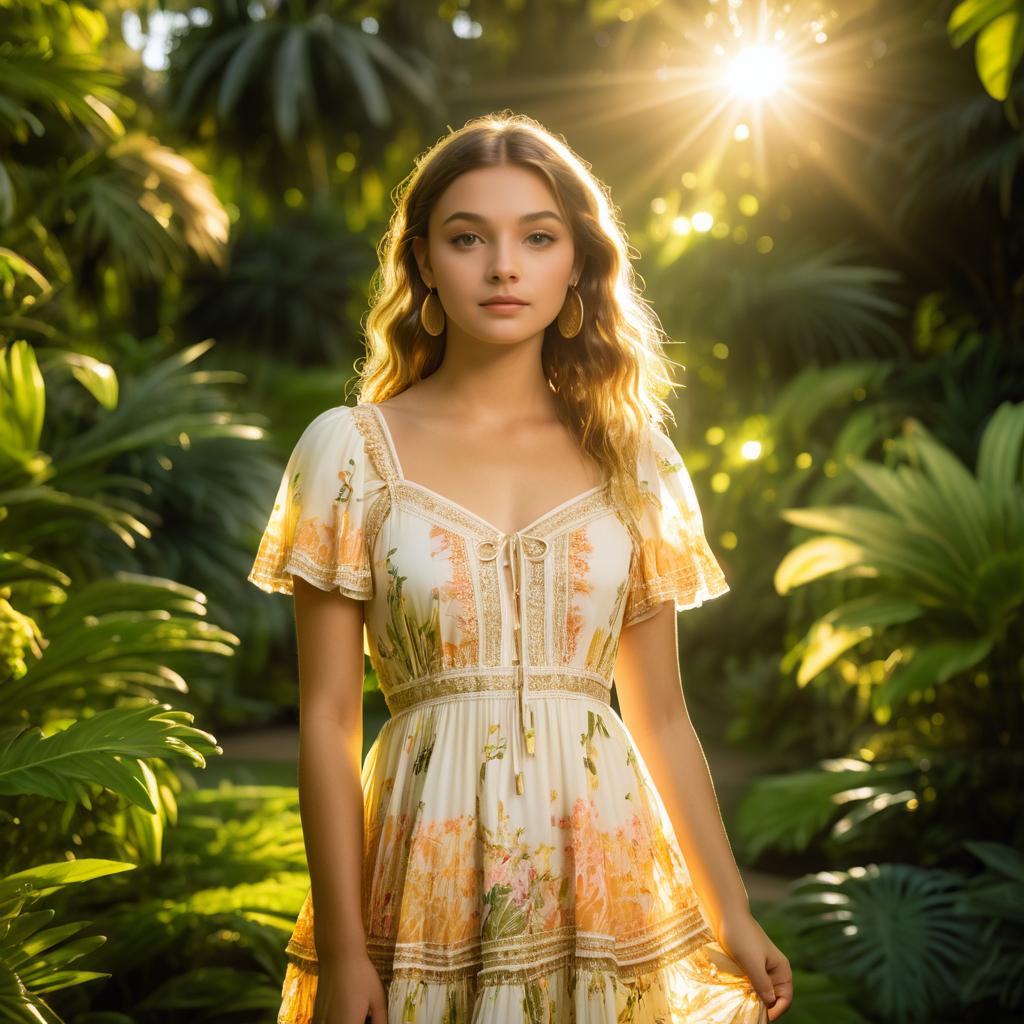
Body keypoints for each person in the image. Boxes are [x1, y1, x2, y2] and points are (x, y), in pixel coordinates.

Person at [248, 110, 793, 1024]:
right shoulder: (349, 452)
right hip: (422, 876)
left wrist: (731, 912)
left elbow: (659, 715)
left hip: (605, 879)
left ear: (575, 262)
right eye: (469, 238)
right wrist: (345, 951)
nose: (504, 267)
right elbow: (329, 719)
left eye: (537, 238)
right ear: (424, 261)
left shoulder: (635, 457)